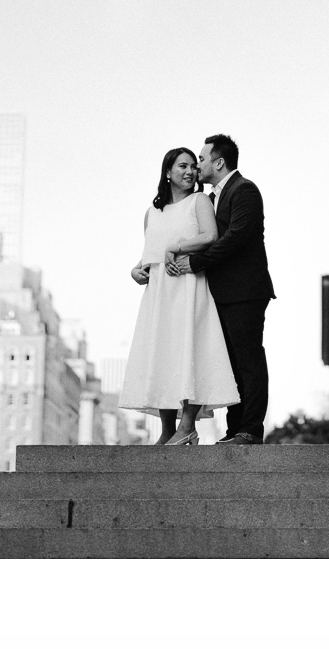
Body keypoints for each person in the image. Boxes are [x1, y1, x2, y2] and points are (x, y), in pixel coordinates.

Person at [118, 147, 239, 445]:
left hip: (189, 286)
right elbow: (149, 254)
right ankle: (168, 430)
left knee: (191, 351)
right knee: (163, 355)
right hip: (159, 293)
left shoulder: (199, 201)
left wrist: (178, 247)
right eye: (182, 166)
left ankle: (188, 426)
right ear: (167, 171)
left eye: (192, 167)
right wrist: (135, 271)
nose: (189, 171)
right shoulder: (152, 213)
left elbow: (210, 235)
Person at [165, 133, 273, 443]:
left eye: (201, 159)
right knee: (232, 366)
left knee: (249, 361)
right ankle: (234, 430)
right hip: (221, 294)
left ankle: (250, 430)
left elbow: (235, 239)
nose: (197, 166)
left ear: (219, 162)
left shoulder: (245, 191)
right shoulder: (212, 198)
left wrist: (195, 262)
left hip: (245, 292)